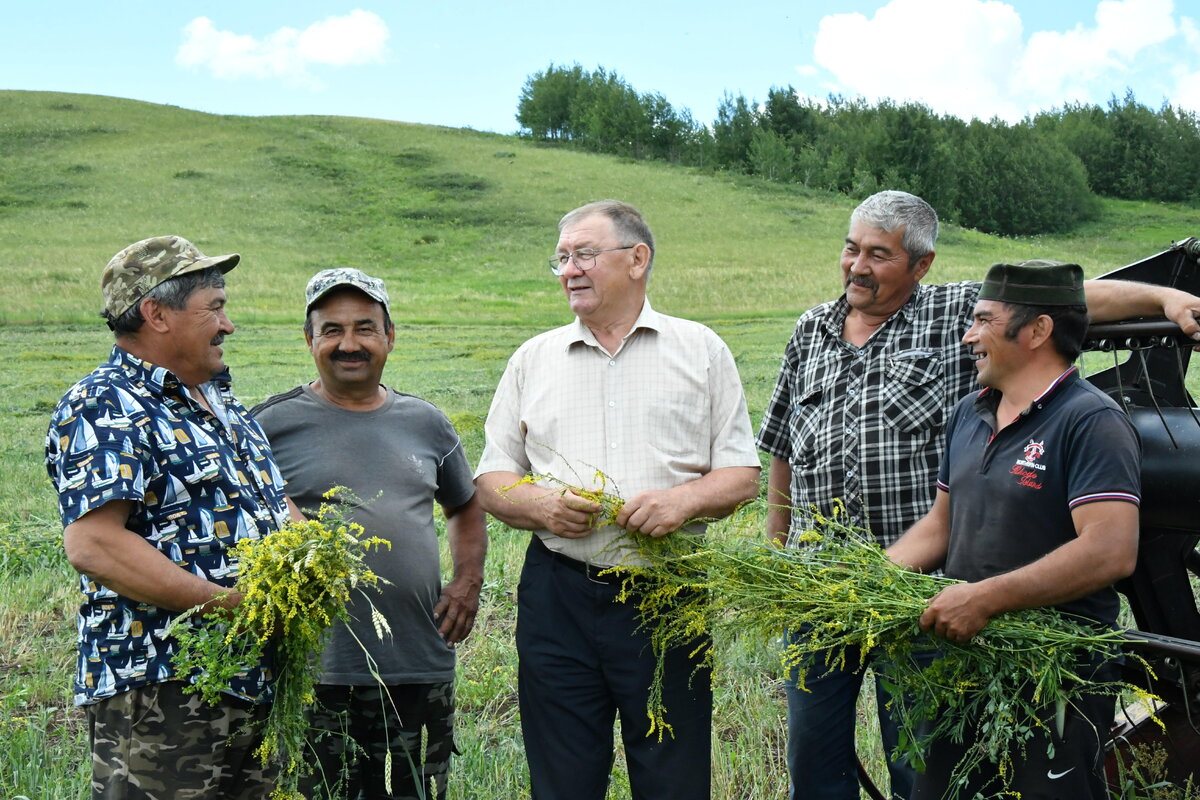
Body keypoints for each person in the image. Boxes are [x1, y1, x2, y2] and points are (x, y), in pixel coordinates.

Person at [756, 190, 1200, 800]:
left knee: (920, 759)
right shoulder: (827, 338)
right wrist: (802, 572)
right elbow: (784, 449)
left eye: (879, 255)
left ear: (921, 265)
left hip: (931, 602)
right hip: (835, 589)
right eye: (851, 249)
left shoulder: (968, 325)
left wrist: (1164, 299)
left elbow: (1068, 300)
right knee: (819, 760)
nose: (857, 266)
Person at [474, 199, 761, 799]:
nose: (569, 270)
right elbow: (492, 479)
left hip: (667, 594)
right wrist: (541, 506)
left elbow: (741, 475)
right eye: (561, 259)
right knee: (563, 780)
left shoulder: (701, 350)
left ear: (637, 259)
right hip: (558, 593)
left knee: (673, 777)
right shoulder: (533, 359)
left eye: (583, 254)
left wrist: (683, 502)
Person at [44, 235, 295, 800]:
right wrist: (234, 606)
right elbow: (94, 545)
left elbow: (272, 501)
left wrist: (316, 560)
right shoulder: (106, 404)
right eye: (215, 308)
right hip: (165, 689)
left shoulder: (220, 403)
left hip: (251, 680)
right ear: (157, 315)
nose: (228, 325)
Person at [887, 259, 1140, 798]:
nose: (968, 335)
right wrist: (866, 581)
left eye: (983, 320)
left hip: (1056, 673)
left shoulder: (1091, 421)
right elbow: (941, 525)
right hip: (965, 663)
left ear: (1038, 329)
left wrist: (984, 599)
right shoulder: (969, 412)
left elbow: (1110, 549)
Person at [252, 267, 486, 800]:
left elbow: (465, 505)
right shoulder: (267, 426)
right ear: (309, 339)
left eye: (365, 328)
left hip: (417, 663)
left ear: (390, 336)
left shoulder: (426, 422)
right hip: (316, 671)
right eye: (331, 330)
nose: (349, 344)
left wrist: (468, 580)